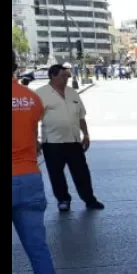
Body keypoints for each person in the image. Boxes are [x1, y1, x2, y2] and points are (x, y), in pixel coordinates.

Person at [11, 50, 63, 274]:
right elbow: (33, 136)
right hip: (29, 177)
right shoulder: (31, 99)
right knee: (38, 250)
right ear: (16, 67)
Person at [35, 64, 104, 212]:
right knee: (56, 174)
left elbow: (81, 116)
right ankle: (63, 200)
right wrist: (35, 140)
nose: (67, 78)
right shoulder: (40, 94)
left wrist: (85, 134)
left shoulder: (72, 92)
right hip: (52, 142)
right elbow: (32, 119)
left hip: (73, 141)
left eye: (68, 76)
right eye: (64, 76)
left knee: (82, 173)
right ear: (53, 76)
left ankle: (89, 199)